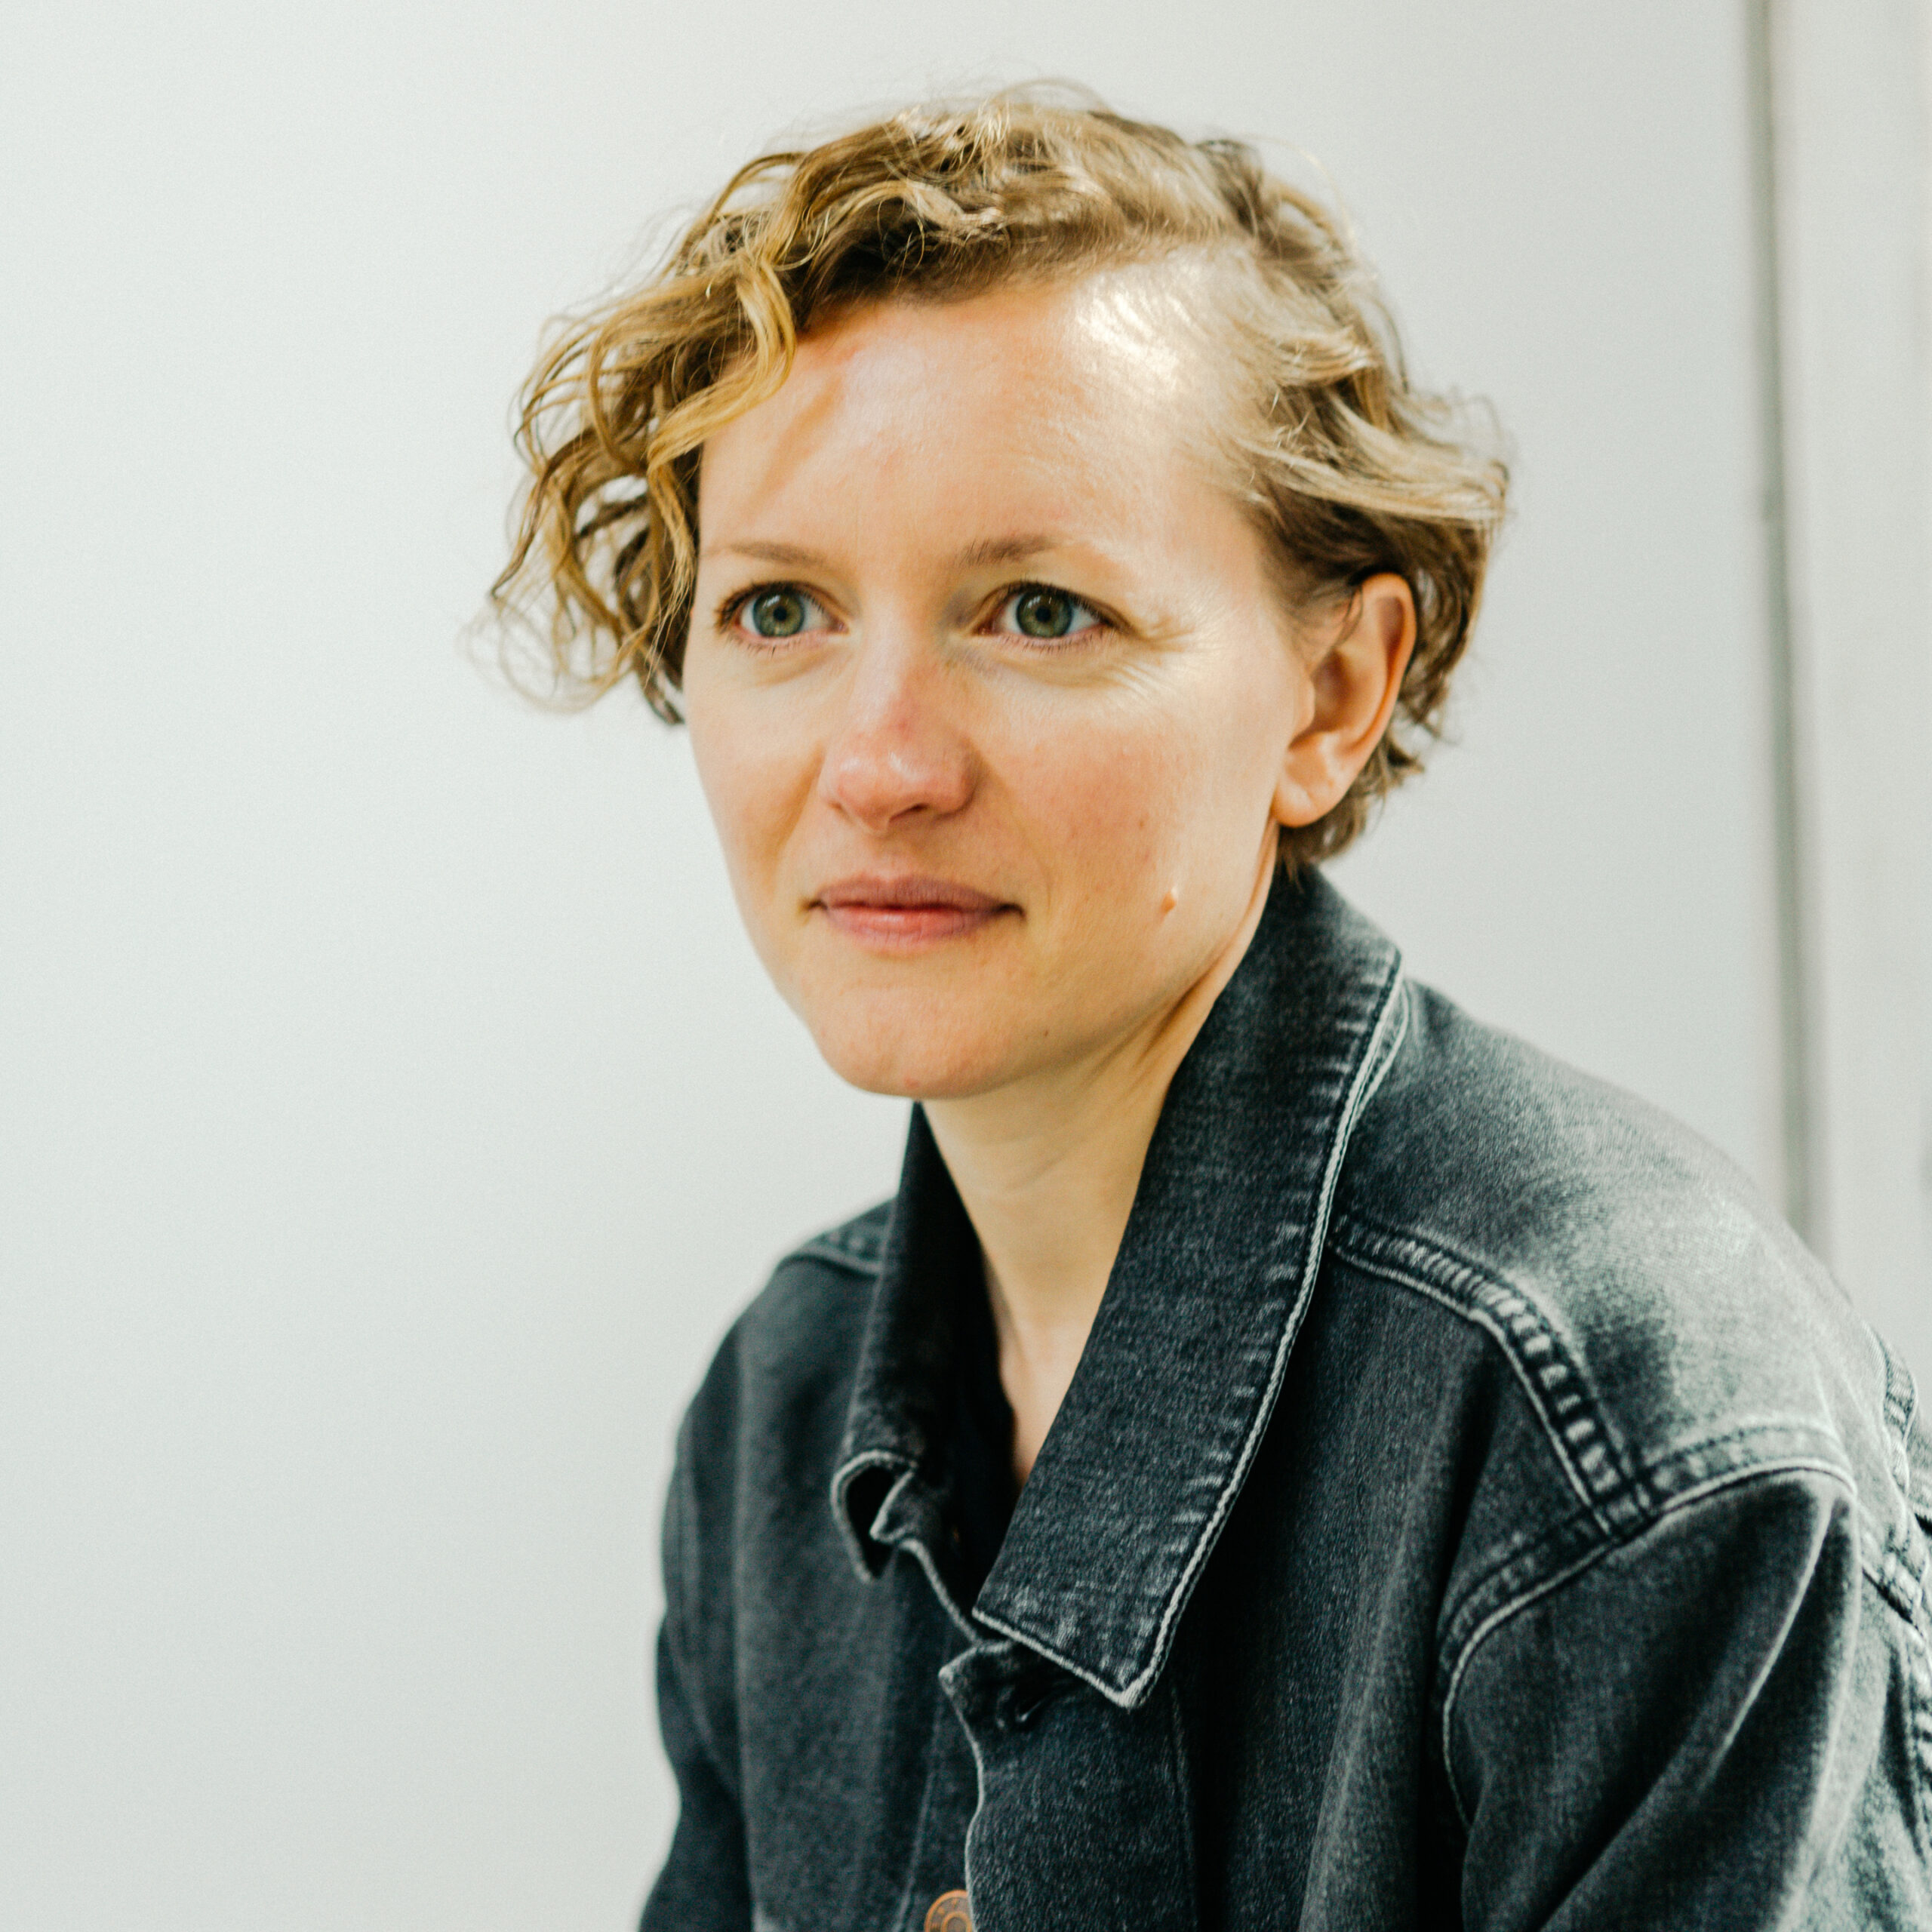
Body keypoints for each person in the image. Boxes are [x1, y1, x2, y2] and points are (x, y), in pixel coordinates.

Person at [494, 93, 1932, 1931]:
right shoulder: (783, 1404)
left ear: (1332, 688)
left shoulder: (1620, 1415)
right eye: (777, 608)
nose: (877, 762)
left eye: (1037, 608)